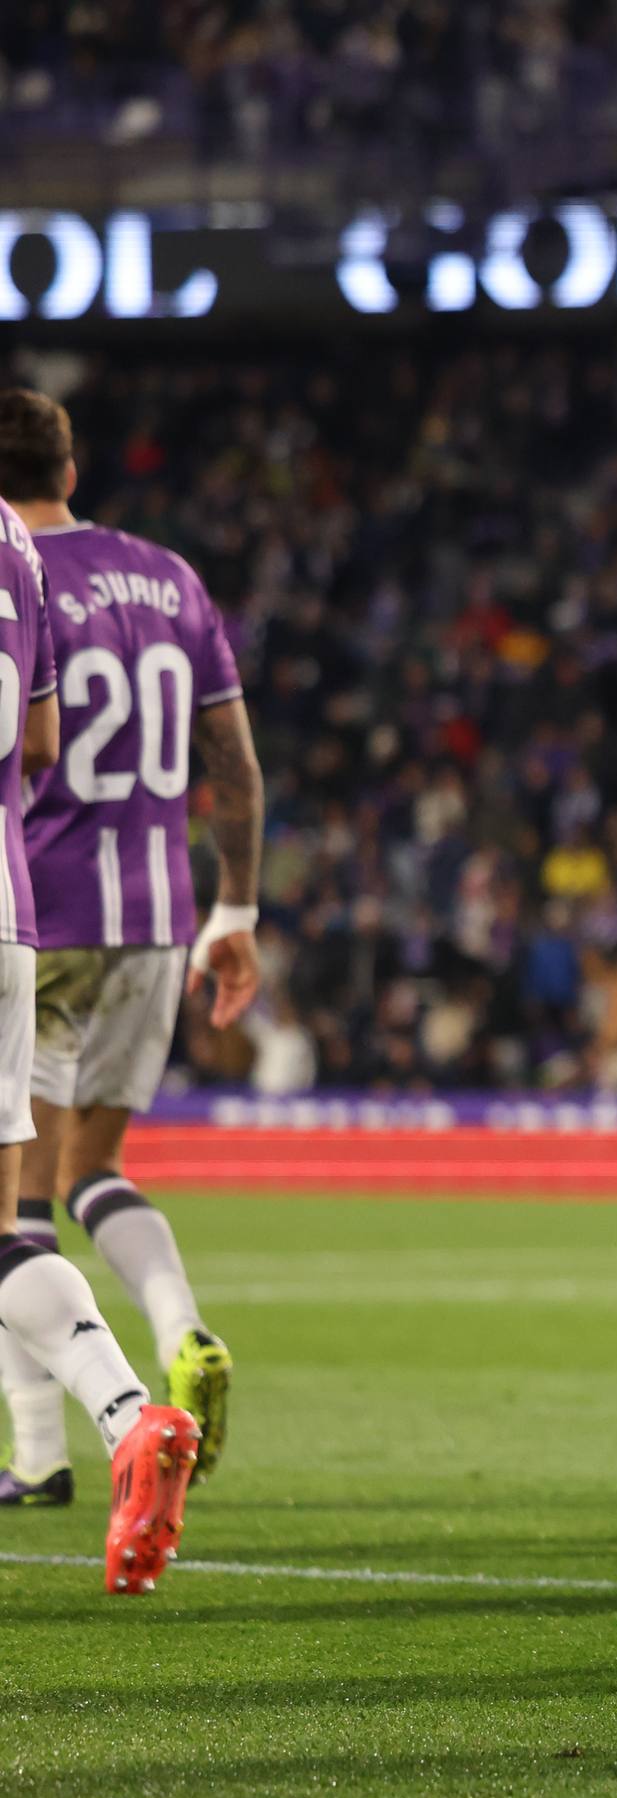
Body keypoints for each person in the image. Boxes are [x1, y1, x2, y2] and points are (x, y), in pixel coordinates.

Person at [0, 388, 258, 1497]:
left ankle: (46, 1453)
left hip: (42, 910)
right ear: (72, 462)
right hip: (158, 917)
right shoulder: (170, 575)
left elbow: (39, 750)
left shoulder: (14, 564)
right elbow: (236, 769)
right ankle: (182, 1326)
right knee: (95, 1171)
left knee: (16, 1208)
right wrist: (237, 909)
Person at [0, 486, 199, 1590]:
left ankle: (48, 1452)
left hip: (57, 911)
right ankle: (128, 1417)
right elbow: (36, 741)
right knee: (8, 1229)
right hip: (13, 914)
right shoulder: (19, 549)